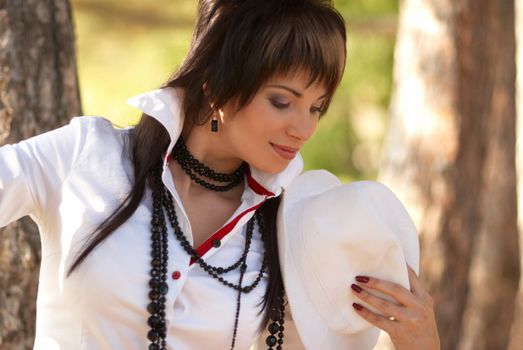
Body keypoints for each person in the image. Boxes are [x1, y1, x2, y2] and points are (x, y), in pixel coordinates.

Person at [0, 0, 440, 349]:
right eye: (282, 102)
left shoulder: (294, 224)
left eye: (317, 107)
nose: (303, 128)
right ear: (219, 80)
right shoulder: (86, 157)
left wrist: (419, 344)